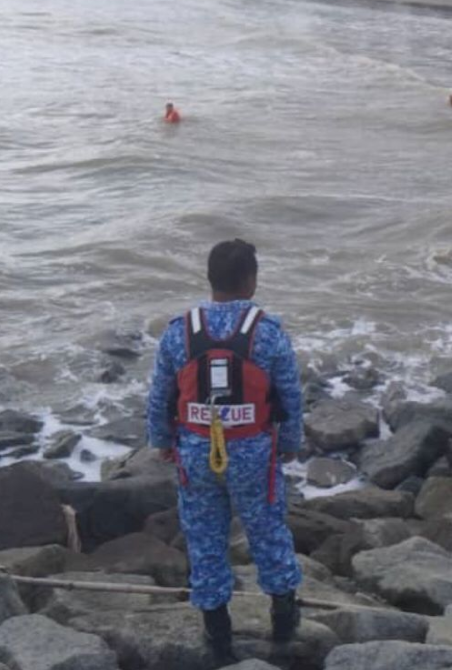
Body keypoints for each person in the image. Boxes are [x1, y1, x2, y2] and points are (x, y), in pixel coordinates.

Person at [146, 238, 303, 664]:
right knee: (268, 532)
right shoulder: (268, 332)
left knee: (204, 538)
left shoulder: (180, 331)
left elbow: (161, 391)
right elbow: (289, 394)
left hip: (196, 453)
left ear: (210, 279)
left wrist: (162, 440)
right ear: (250, 281)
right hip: (254, 453)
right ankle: (285, 625)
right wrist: (289, 445)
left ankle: (218, 635)